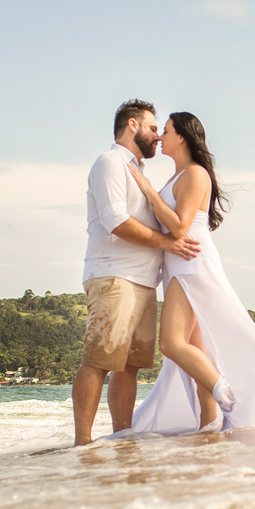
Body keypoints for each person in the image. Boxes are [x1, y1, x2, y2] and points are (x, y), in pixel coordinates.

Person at [124, 111, 255, 434]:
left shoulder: (195, 174)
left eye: (166, 130)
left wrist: (148, 190)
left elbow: (179, 226)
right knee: (196, 349)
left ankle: (228, 398)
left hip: (191, 264)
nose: (160, 136)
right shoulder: (177, 177)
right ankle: (209, 422)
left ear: (183, 138)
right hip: (177, 265)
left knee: (171, 343)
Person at [71, 100, 201, 446]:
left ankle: (122, 436)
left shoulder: (137, 170)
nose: (158, 136)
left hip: (144, 282)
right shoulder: (110, 163)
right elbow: (115, 221)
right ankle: (82, 442)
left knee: (129, 367)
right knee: (99, 360)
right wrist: (166, 243)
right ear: (132, 125)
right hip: (116, 277)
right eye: (153, 127)